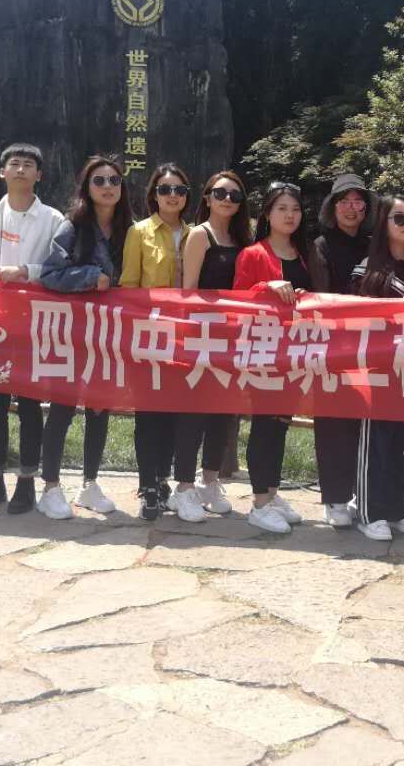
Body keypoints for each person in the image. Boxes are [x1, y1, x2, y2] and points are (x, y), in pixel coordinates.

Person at [0, 143, 65, 515]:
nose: (21, 169)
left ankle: (26, 482)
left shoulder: (53, 219)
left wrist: (25, 272)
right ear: (1, 172)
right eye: (14, 163)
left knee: (29, 405)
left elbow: (57, 267)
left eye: (28, 165)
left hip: (32, 324)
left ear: (39, 175)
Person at [37, 155, 131, 519]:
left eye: (114, 181)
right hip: (72, 332)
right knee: (63, 407)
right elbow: (50, 275)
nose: (108, 187)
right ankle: (50, 487)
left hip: (109, 333)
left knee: (99, 407)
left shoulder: (130, 229)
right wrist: (91, 277)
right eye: (99, 181)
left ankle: (89, 484)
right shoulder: (72, 227)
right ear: (87, 188)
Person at [170, 169, 251, 522]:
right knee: (194, 414)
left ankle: (210, 481)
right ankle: (184, 488)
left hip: (233, 338)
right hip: (201, 336)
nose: (227, 200)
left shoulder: (242, 239)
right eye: (220, 193)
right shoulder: (199, 235)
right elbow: (187, 290)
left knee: (224, 412)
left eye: (235, 195)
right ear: (207, 198)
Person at [232, 181, 309, 534]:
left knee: (280, 424)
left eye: (295, 209)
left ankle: (273, 493)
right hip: (263, 351)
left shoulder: (302, 252)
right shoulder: (253, 254)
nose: (290, 215)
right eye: (282, 209)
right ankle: (260, 502)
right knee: (264, 424)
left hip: (294, 352)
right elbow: (237, 300)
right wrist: (266, 288)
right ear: (267, 213)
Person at [348, 195, 404, 541]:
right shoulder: (367, 269)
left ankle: (401, 508)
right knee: (376, 439)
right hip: (378, 369)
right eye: (399, 218)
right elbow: (352, 320)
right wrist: (395, 311)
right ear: (383, 222)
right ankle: (369, 511)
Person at [121, 163, 191, 519]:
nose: (172, 196)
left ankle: (164, 479)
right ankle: (148, 485)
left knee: (174, 414)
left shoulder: (196, 234)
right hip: (149, 335)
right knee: (148, 414)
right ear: (154, 195)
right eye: (165, 189)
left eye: (179, 190)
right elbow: (129, 286)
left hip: (187, 337)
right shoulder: (139, 232)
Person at [308, 173, 374, 528]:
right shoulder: (321, 245)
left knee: (366, 423)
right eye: (344, 201)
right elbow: (322, 295)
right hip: (333, 345)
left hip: (372, 345)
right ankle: (334, 498)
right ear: (333, 207)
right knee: (332, 421)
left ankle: (362, 494)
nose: (351, 208)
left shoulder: (374, 244)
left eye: (358, 201)